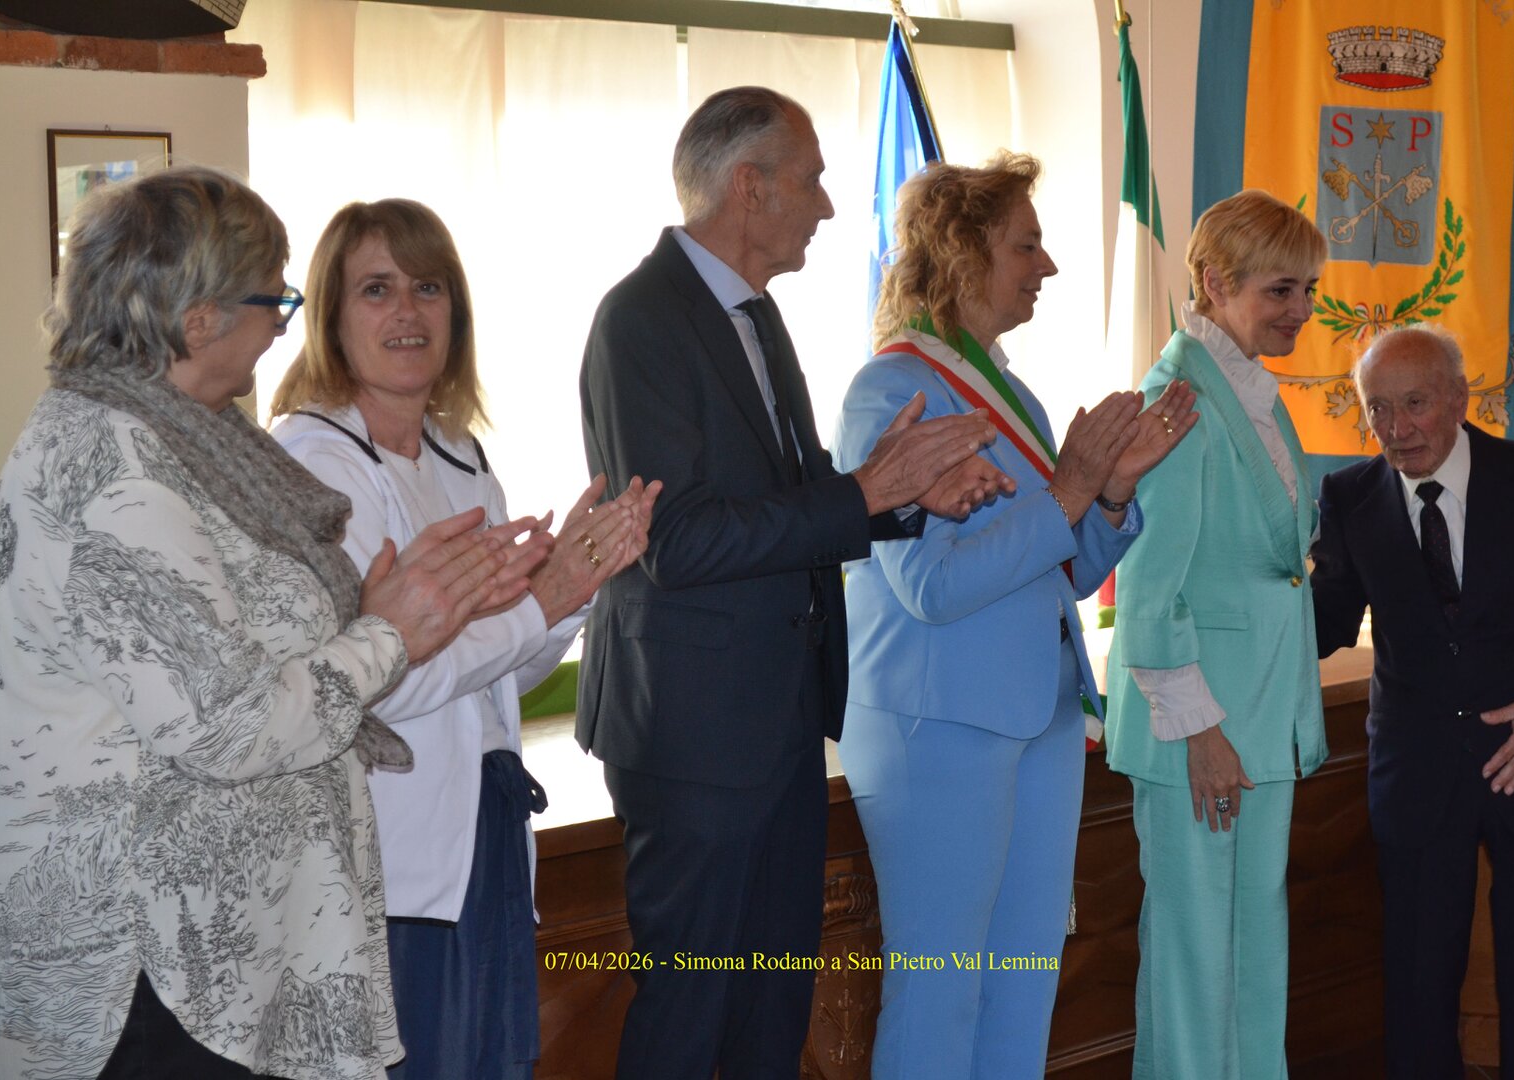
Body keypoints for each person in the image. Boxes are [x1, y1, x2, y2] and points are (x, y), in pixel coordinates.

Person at [0, 166, 535, 1080]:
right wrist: (389, 634)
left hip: (221, 954)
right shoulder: (112, 471)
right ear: (201, 320)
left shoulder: (184, 435)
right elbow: (228, 725)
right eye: (273, 299)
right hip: (147, 970)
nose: (283, 325)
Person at [577, 86, 1009, 1079]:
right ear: (749, 186)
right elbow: (676, 540)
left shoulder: (755, 315)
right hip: (691, 730)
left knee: (771, 1013)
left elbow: (801, 490)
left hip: (777, 719)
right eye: (811, 181)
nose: (826, 206)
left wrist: (905, 499)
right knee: (692, 1014)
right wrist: (864, 491)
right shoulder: (640, 320)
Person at [270, 198, 656, 1080]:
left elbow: (497, 679)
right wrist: (538, 601)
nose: (407, 312)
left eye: (428, 287)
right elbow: (387, 683)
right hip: (384, 860)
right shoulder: (313, 462)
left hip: (482, 827)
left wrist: (574, 590)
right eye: (377, 289)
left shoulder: (458, 455)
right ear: (330, 316)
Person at [829, 153, 1195, 1079]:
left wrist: (1110, 495)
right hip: (938, 725)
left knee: (1024, 983)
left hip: (1037, 717)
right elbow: (930, 587)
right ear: (963, 251)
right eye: (1026, 245)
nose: (1048, 266)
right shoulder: (891, 390)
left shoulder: (1007, 390)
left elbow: (1056, 572)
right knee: (941, 990)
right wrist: (1069, 490)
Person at [1310, 325, 1514, 1079]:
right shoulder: (1349, 497)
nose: (1396, 428)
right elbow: (1322, 623)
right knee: (1416, 988)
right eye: (1378, 409)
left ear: (1460, 399)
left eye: (1415, 404)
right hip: (1417, 773)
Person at [1104, 188, 1330, 1078]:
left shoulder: (1250, 393)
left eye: (1308, 290)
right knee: (1196, 959)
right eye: (1280, 290)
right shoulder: (1177, 401)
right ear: (1214, 282)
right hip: (1200, 732)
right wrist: (1199, 732)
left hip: (1259, 720)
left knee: (1251, 953)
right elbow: (1148, 590)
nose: (1301, 311)